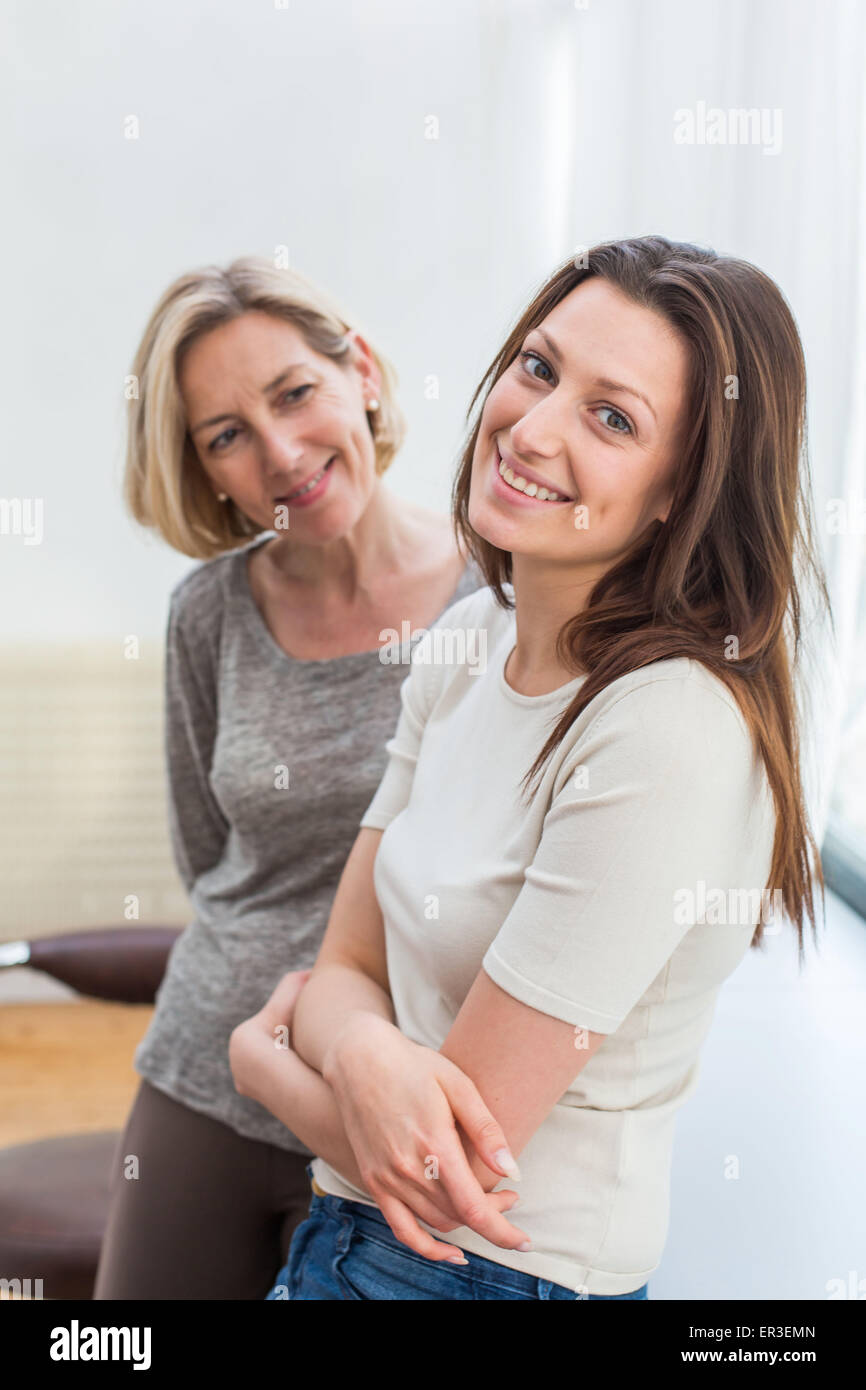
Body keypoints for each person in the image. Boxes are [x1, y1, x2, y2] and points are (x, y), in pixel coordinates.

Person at [230, 235, 831, 1301]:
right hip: (350, 1239)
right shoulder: (469, 641)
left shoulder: (668, 726)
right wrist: (364, 1049)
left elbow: (444, 1168)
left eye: (611, 417)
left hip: (486, 1280)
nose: (533, 427)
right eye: (538, 367)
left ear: (675, 492)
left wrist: (269, 1061)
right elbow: (345, 963)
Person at [93, 256, 482, 1299]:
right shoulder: (207, 613)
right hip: (211, 1070)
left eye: (293, 393)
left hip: (400, 1099)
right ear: (205, 470)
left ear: (358, 370)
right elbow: (208, 855)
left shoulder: (502, 592)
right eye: (226, 435)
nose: (279, 452)